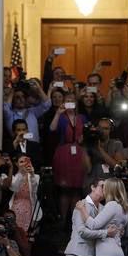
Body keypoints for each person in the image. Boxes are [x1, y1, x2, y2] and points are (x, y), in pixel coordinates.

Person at [50, 92, 89, 226]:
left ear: (76, 103)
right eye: (67, 101)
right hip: (64, 154)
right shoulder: (61, 116)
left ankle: (74, 222)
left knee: (77, 189)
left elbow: (88, 133)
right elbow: (52, 129)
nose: (70, 103)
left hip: (79, 153)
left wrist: (84, 137)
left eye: (72, 100)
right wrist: (58, 112)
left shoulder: (82, 118)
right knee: (65, 189)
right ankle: (62, 220)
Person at [75, 178, 128, 256]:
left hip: (107, 251)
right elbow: (120, 231)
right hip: (118, 250)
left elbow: (93, 225)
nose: (103, 190)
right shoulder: (125, 208)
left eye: (105, 187)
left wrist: (82, 209)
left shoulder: (112, 205)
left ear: (110, 190)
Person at [64, 179, 117, 256]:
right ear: (93, 187)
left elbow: (109, 230)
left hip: (93, 255)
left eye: (107, 187)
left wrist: (117, 230)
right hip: (77, 253)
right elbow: (82, 231)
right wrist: (105, 233)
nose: (105, 189)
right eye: (102, 186)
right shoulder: (82, 204)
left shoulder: (104, 208)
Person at [8, 155, 42, 235]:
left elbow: (35, 191)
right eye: (21, 162)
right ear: (17, 164)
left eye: (26, 161)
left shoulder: (36, 176)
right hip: (16, 207)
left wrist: (32, 175)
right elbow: (14, 188)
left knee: (28, 233)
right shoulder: (13, 177)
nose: (23, 164)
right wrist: (22, 174)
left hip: (30, 206)